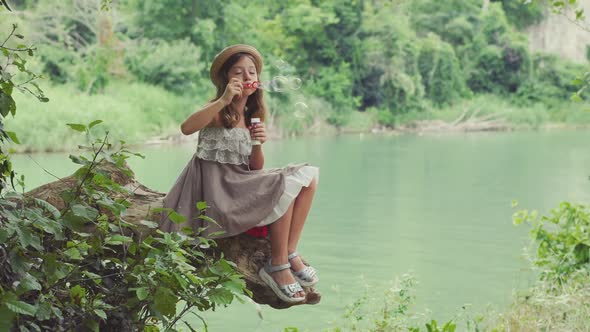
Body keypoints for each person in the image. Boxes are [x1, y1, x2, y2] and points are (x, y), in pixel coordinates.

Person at [159, 44, 319, 303]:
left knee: (309, 176)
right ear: (226, 79)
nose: (247, 78)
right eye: (238, 73)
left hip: (238, 183)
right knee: (284, 184)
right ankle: (276, 266)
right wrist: (222, 99)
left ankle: (289, 252)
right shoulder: (217, 109)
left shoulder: (252, 114)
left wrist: (258, 143)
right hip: (216, 191)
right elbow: (186, 128)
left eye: (252, 73)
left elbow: (255, 167)